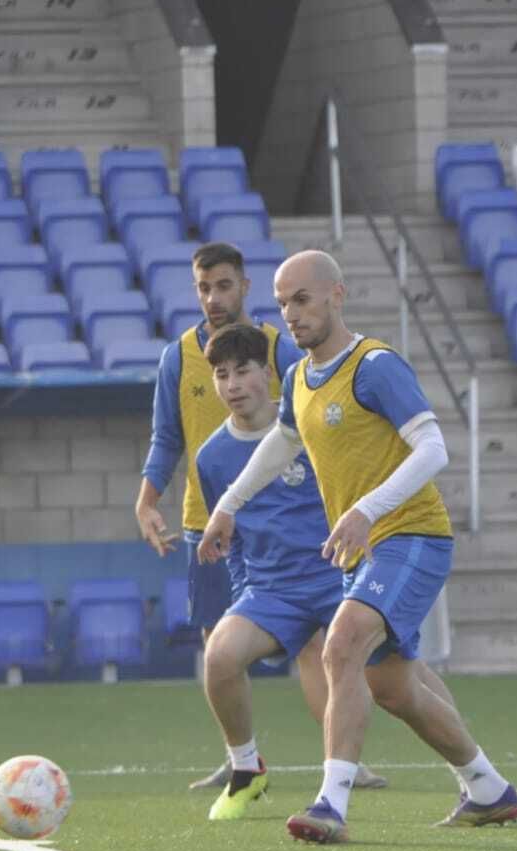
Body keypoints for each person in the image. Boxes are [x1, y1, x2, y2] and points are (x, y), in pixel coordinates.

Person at [199, 251, 517, 843]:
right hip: (365, 550)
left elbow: (434, 449)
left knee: (339, 644)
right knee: (396, 690)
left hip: (412, 536)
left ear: (336, 296)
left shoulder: (374, 365)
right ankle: (488, 788)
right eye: (282, 303)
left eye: (302, 299)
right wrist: (227, 506)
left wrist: (365, 509)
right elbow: (282, 443)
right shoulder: (297, 376)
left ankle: (331, 804)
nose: (291, 314)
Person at [133, 242, 384, 792]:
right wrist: (147, 499)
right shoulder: (178, 357)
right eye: (203, 288)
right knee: (218, 646)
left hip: (301, 535)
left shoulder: (283, 349)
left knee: (319, 650)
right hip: (213, 522)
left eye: (224, 286)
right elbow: (166, 435)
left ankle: (341, 756)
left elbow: (311, 423)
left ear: (245, 287)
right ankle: (240, 758)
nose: (213, 297)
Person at [194, 324, 464, 821]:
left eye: (243, 371)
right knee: (219, 655)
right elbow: (225, 539)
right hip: (271, 591)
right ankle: (247, 768)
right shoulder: (212, 456)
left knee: (396, 674)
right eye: (221, 375)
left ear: (267, 374)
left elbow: (389, 467)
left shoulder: (317, 423)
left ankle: (460, 774)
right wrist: (240, 592)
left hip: (336, 572)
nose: (232, 384)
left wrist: (368, 523)